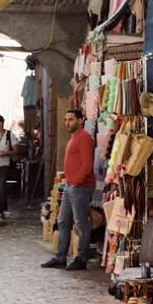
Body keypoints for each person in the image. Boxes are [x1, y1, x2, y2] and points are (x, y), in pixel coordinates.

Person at [41, 108, 95, 271]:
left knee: (80, 223)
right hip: (70, 186)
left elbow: (87, 165)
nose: (67, 123)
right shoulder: (74, 138)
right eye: (65, 120)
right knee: (63, 221)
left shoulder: (84, 137)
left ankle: (81, 258)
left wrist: (76, 181)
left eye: (70, 119)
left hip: (80, 187)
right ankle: (60, 256)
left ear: (80, 121)